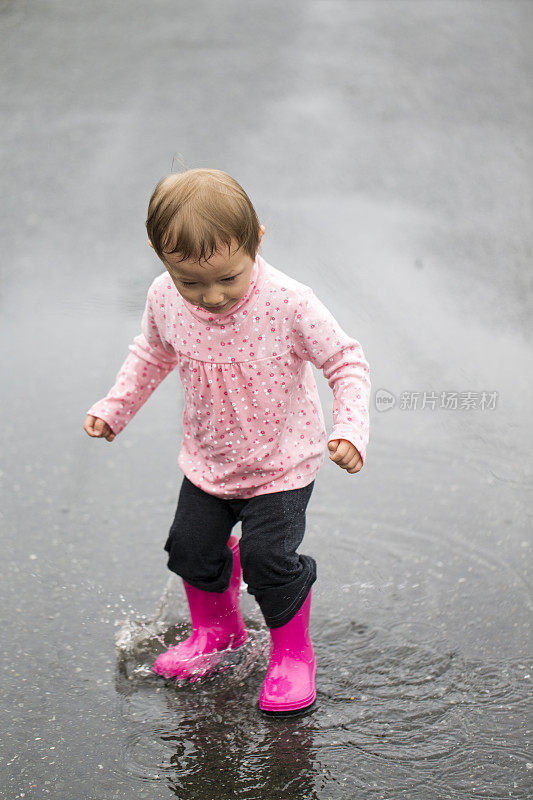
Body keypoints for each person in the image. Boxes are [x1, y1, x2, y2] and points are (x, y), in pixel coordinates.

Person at [84, 167, 371, 715]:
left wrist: (349, 429)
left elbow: (345, 361)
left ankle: (292, 656)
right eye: (192, 282)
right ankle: (217, 633)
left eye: (228, 279)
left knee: (268, 559)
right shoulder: (164, 298)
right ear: (159, 253)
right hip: (209, 461)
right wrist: (115, 408)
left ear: (256, 240)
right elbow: (152, 353)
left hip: (280, 464)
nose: (211, 296)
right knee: (191, 548)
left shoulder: (288, 302)